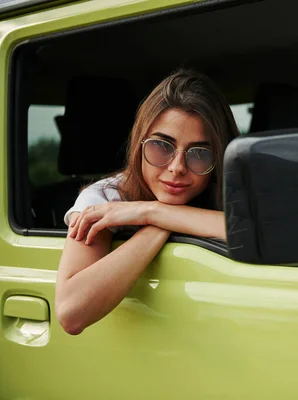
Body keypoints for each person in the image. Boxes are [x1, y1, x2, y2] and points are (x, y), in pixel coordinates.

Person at [55, 69, 239, 335]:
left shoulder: (227, 189)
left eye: (200, 153)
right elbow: (71, 312)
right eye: (162, 146)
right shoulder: (104, 198)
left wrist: (152, 211)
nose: (177, 168)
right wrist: (162, 222)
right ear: (138, 143)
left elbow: (270, 233)